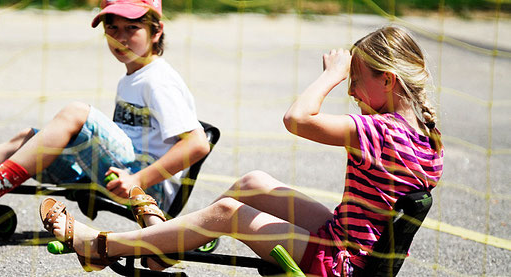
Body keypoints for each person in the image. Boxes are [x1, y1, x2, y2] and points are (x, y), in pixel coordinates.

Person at [38, 26, 444, 276]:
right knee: (253, 184)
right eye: (349, 80)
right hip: (352, 243)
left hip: (339, 264)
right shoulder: (425, 134)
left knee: (228, 214)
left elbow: (297, 119)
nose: (353, 91)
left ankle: (99, 248)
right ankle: (162, 249)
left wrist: (330, 76)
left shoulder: (380, 132)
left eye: (357, 80)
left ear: (389, 81)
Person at [0, 0, 210, 237]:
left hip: (143, 188)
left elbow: (197, 144)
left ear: (157, 31)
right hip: (110, 171)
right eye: (112, 27)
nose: (120, 38)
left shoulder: (158, 79)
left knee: (76, 111)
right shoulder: (132, 77)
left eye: (132, 28)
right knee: (28, 138)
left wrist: (140, 179)